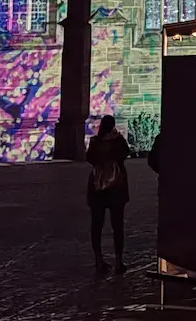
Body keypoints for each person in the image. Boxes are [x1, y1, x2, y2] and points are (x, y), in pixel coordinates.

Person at [87, 114, 131, 274]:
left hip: (97, 186)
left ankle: (99, 260)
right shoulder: (118, 141)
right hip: (116, 187)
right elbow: (125, 153)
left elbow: (90, 158)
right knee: (117, 225)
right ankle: (118, 261)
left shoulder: (95, 141)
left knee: (97, 226)